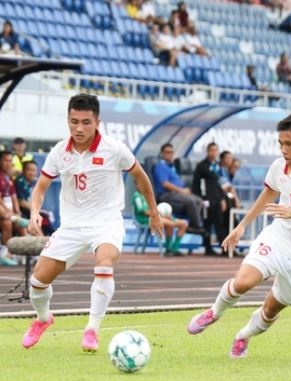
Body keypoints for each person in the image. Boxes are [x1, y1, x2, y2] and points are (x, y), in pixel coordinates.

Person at [187, 113, 291, 358]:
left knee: (270, 310)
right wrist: (242, 227)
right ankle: (214, 312)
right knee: (243, 281)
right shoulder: (278, 166)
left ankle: (242, 336)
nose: (283, 149)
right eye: (280, 143)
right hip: (277, 237)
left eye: (289, 144)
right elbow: (267, 196)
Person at [20, 94, 162, 352]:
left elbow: (140, 177)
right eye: (74, 122)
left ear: (97, 121)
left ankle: (92, 330)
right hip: (72, 226)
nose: (79, 128)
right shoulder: (59, 152)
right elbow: (40, 187)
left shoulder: (115, 149)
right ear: (68, 120)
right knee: (38, 282)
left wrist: (153, 210)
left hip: (106, 222)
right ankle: (43, 319)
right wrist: (34, 212)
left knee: (104, 262)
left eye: (86, 122)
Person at [153, 143, 206, 235]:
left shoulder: (171, 167)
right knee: (191, 201)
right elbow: (165, 184)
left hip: (178, 194)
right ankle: (196, 226)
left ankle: (195, 224)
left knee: (200, 200)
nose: (170, 154)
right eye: (167, 152)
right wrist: (181, 191)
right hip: (166, 195)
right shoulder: (160, 167)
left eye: (172, 152)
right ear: (162, 154)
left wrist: (184, 190)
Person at [192, 142, 227, 256]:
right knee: (207, 224)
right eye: (211, 150)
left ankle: (224, 248)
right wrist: (200, 199)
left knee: (219, 223)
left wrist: (223, 199)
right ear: (207, 151)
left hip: (217, 199)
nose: (214, 152)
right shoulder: (201, 166)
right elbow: (196, 184)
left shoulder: (217, 166)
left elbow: (221, 183)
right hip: (206, 200)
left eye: (215, 150)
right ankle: (208, 248)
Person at [132, 188, 188, 256]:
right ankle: (169, 249)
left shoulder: (147, 194)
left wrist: (164, 215)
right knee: (169, 223)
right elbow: (144, 212)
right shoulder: (137, 196)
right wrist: (159, 214)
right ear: (137, 185)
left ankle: (173, 248)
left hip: (157, 216)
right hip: (145, 219)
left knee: (183, 224)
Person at [15, 160, 54, 235]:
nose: (32, 173)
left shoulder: (32, 182)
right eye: (29, 170)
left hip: (30, 210)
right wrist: (36, 210)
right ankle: (42, 240)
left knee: (45, 217)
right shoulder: (20, 182)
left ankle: (49, 238)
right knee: (40, 217)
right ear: (23, 171)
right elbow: (22, 203)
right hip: (22, 212)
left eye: (34, 170)